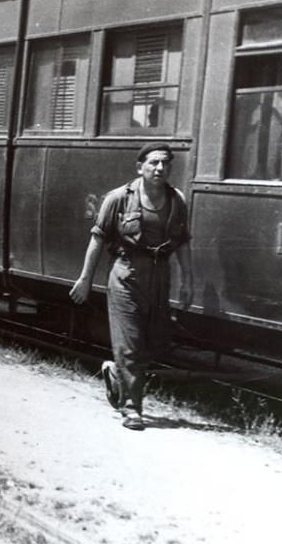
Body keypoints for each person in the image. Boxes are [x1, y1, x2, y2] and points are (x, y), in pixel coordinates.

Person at [69, 143, 193, 431]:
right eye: (153, 163)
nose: (160, 168)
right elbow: (97, 239)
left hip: (160, 277)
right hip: (126, 275)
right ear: (140, 167)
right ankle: (132, 409)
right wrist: (85, 279)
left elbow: (183, 243)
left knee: (156, 341)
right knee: (131, 344)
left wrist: (188, 279)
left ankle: (115, 373)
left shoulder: (177, 201)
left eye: (165, 163)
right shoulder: (118, 199)